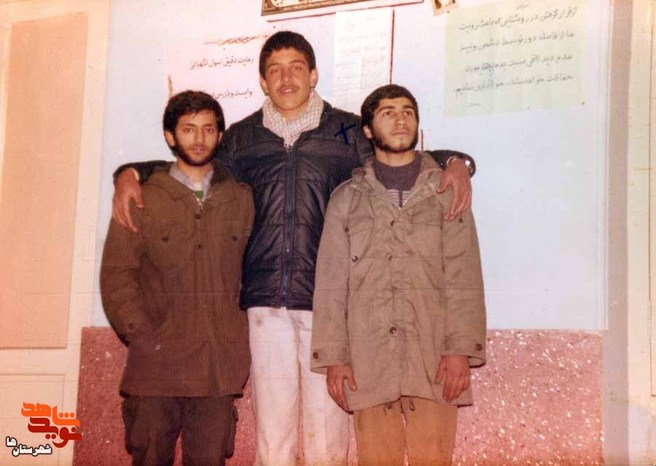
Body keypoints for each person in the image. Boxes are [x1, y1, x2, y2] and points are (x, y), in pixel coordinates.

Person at [111, 32, 475, 466]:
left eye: (296, 67)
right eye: (275, 70)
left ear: (313, 75)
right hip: (264, 305)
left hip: (327, 304)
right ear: (263, 81)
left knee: (328, 433)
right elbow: (194, 163)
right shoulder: (241, 137)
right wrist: (131, 171)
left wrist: (456, 163)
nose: (286, 78)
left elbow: (398, 150)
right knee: (273, 434)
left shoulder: (345, 130)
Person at [310, 84, 486, 466]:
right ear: (368, 130)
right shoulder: (346, 199)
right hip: (368, 361)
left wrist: (459, 350)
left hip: (433, 359)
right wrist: (335, 357)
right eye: (387, 112)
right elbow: (331, 285)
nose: (400, 119)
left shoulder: (446, 192)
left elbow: (464, 274)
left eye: (408, 111)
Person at [100, 90, 254, 466]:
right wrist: (141, 334)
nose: (199, 138)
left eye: (208, 129)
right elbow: (117, 276)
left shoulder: (240, 198)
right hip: (156, 368)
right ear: (170, 136)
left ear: (220, 135)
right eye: (188, 129)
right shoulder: (142, 199)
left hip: (216, 368)